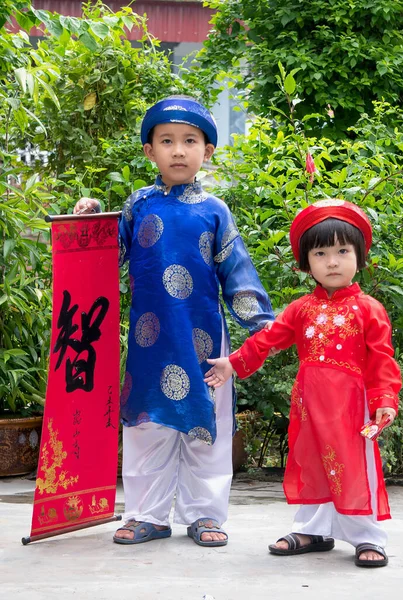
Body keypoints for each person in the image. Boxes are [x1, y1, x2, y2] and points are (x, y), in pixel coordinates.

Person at [74, 96, 274, 546]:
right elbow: (109, 259)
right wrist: (89, 222)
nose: (179, 151)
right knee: (146, 424)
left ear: (208, 151)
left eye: (190, 141)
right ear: (150, 152)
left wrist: (267, 329)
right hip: (149, 339)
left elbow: (237, 274)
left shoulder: (215, 210)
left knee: (206, 426)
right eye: (167, 141)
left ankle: (205, 515)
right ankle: (147, 513)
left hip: (203, 338)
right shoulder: (137, 206)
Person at [204, 199, 401, 567]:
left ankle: (366, 537)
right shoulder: (300, 308)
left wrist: (385, 398)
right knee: (310, 462)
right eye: (321, 253)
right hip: (309, 406)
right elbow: (269, 339)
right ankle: (312, 530)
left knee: (353, 465)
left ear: (359, 256)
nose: (332, 261)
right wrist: (234, 362)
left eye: (343, 251)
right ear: (306, 262)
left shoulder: (369, 309)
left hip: (351, 407)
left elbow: (381, 359)